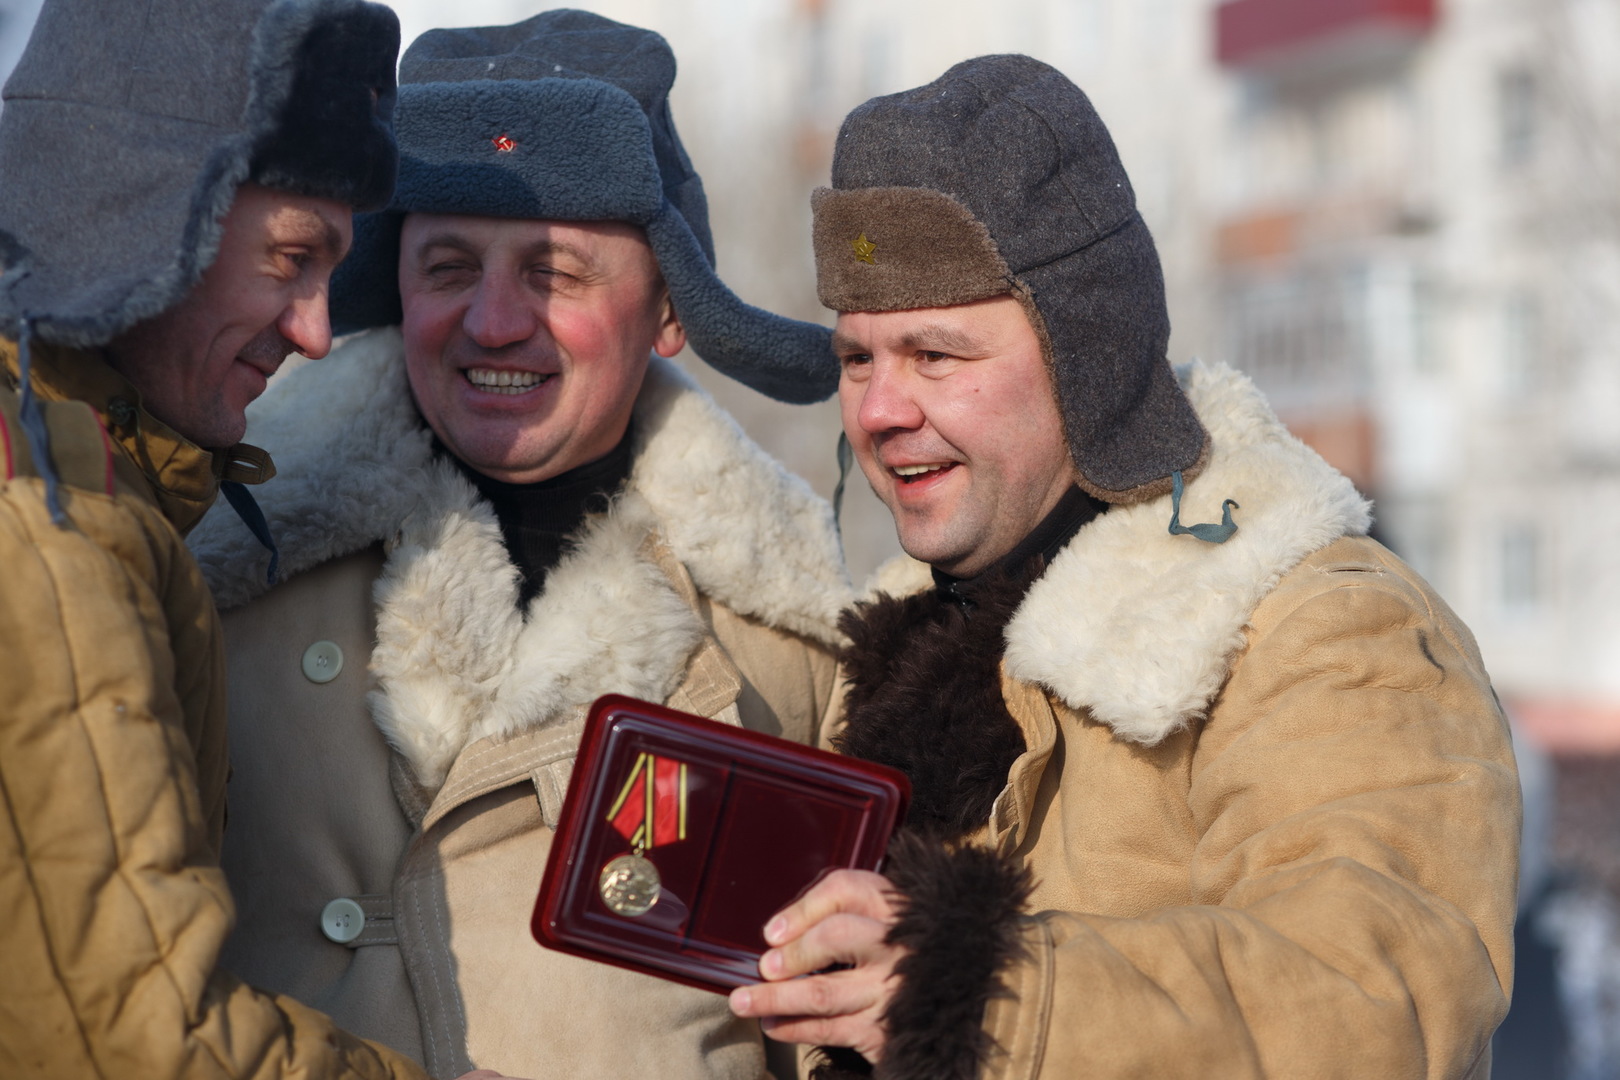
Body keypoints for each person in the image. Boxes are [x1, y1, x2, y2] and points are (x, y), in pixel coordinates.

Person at [729, 55, 1521, 1079]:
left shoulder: (1315, 629)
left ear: (1086, 358)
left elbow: (1376, 997)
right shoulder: (880, 654)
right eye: (856, 359)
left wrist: (979, 993)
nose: (880, 409)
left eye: (935, 355)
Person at [184, 11, 850, 1080]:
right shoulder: (209, 572)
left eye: (554, 272)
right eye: (449, 266)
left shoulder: (792, 650)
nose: (495, 322)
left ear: (667, 310)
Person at [0, 0, 498, 1077]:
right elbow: (136, 1040)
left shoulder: (82, 475)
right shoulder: (49, 521)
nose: (316, 331)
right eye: (291, 258)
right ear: (137, 212)